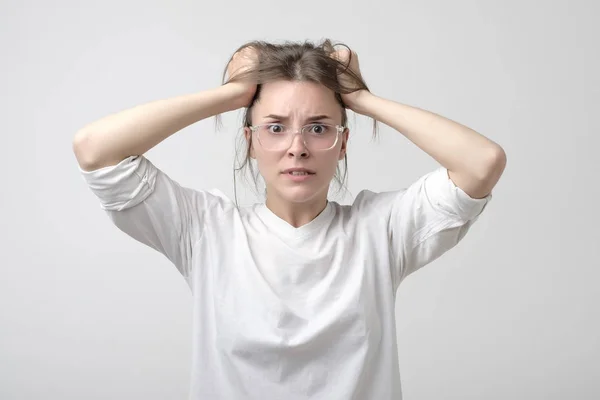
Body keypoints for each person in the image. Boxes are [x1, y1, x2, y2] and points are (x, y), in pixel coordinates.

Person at [73, 39, 506, 399]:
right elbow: (95, 149)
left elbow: (482, 162)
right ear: (250, 142)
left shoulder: (381, 229)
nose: (297, 147)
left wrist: (361, 99)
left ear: (342, 144)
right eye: (275, 128)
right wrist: (234, 94)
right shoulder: (206, 230)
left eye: (318, 128)